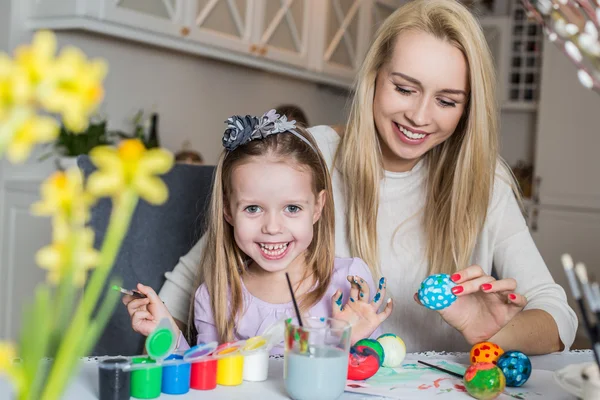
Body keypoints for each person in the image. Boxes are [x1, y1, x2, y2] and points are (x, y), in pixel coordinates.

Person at [158, 0, 577, 354]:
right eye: (404, 88)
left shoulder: (486, 183)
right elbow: (183, 290)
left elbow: (558, 317)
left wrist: (492, 336)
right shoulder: (311, 156)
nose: (419, 116)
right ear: (374, 78)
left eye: (446, 100)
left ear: (467, 109)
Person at [123, 110, 393, 349]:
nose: (273, 228)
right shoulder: (217, 296)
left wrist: (353, 342)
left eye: (292, 208)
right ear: (228, 210)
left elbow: (376, 373)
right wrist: (166, 333)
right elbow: (205, 382)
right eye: (253, 209)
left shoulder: (348, 280)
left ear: (318, 207)